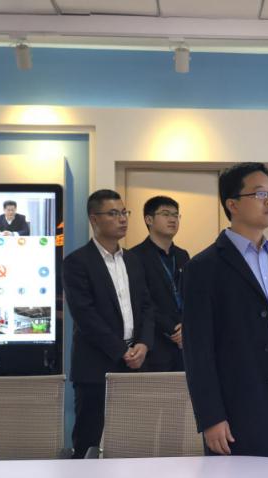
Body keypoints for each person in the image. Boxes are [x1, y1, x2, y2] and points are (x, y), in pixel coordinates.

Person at [182, 162, 268, 462]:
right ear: (232, 205)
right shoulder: (203, 268)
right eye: (259, 194)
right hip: (238, 406)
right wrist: (211, 417)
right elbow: (197, 352)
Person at [63, 189, 154, 459]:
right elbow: (85, 315)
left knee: (131, 441)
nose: (122, 219)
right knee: (89, 441)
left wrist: (144, 344)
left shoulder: (133, 260)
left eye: (124, 212)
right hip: (96, 365)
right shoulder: (77, 262)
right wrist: (121, 350)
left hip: (136, 362)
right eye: (113, 213)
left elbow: (146, 307)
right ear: (94, 219)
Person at [131, 196, 189, 372]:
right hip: (155, 343)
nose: (172, 219)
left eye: (176, 215)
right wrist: (171, 329)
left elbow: (190, 295)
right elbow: (141, 302)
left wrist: (186, 325)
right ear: (149, 219)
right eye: (165, 214)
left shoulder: (182, 255)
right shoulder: (134, 256)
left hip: (184, 344)